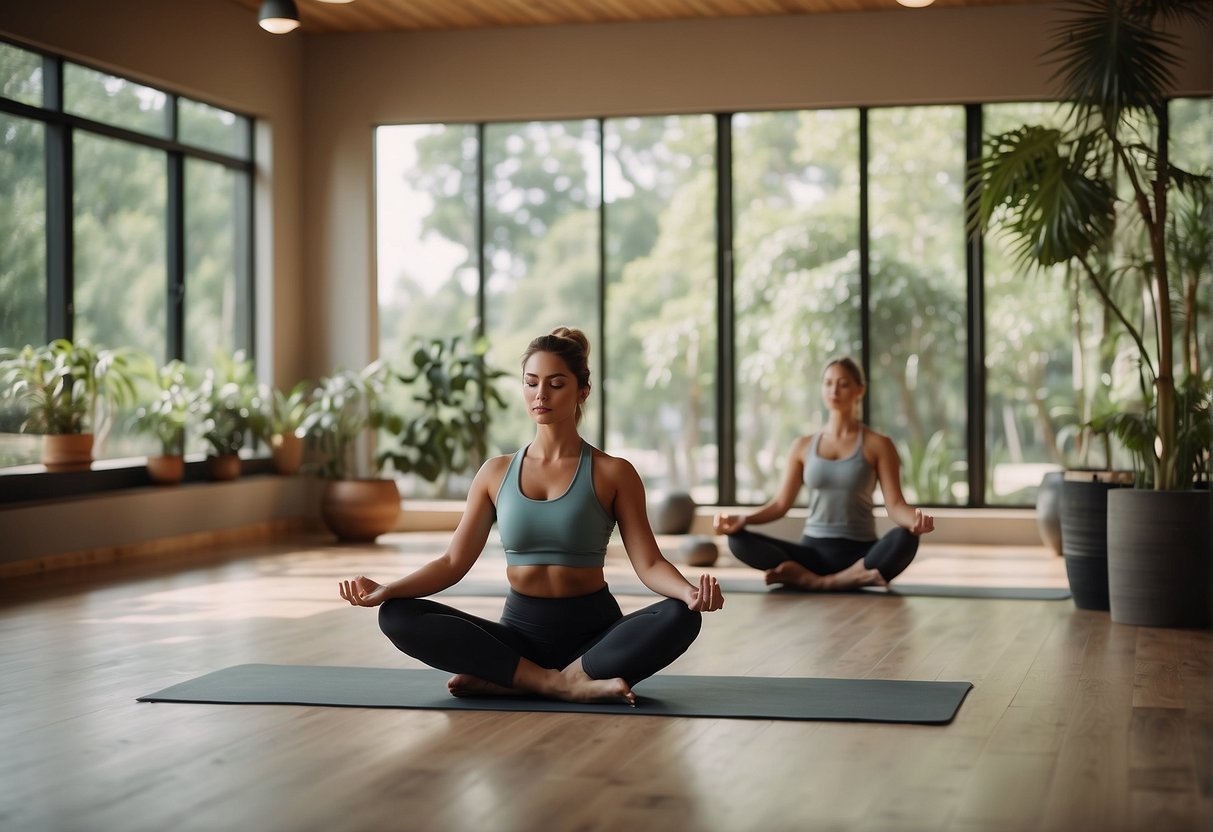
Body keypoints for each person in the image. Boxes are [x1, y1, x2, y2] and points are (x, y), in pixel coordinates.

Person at [339, 326, 724, 706]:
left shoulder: (613, 472)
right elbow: (453, 562)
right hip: (519, 640)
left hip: (597, 642)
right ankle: (558, 683)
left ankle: (524, 680)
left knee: (682, 616)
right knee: (397, 615)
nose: (541, 394)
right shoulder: (495, 473)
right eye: (531, 382)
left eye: (556, 384)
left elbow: (650, 562)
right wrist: (389, 589)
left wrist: (688, 592)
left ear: (582, 391)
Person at [713, 356, 934, 591]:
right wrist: (743, 519)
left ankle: (815, 582)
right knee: (737, 540)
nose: (834, 390)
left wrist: (914, 521)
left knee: (906, 538)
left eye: (843, 383)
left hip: (861, 554)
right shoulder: (802, 446)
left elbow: (895, 504)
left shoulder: (878, 444)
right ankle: (846, 580)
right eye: (828, 383)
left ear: (860, 390)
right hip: (811, 553)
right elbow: (780, 504)